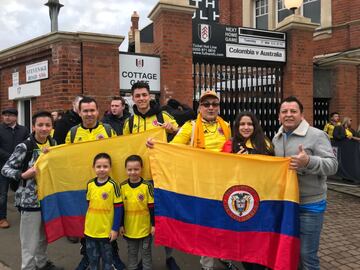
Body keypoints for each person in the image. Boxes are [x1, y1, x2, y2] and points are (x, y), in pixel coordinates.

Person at [167, 90, 234, 270]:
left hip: (224, 183)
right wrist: (156, 146)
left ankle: (225, 255)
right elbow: (173, 148)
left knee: (225, 221)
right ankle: (207, 264)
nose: (211, 107)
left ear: (219, 107)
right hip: (202, 185)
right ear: (199, 108)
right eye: (206, 104)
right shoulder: (190, 126)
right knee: (207, 225)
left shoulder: (226, 126)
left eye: (214, 104)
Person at [272, 96, 338, 270]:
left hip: (310, 205)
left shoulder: (317, 135)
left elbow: (333, 165)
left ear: (301, 114)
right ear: (279, 116)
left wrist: (308, 161)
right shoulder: (276, 138)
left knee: (307, 255)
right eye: (284, 111)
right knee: (291, 251)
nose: (288, 115)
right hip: (287, 205)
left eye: (293, 111)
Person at [122, 81, 179, 270]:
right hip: (139, 179)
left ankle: (169, 257)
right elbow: (125, 148)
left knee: (164, 218)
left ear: (150, 96)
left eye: (144, 95)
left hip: (160, 175)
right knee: (142, 220)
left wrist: (173, 129)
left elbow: (180, 133)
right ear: (132, 98)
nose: (141, 99)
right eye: (137, 96)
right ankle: (142, 259)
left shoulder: (163, 114)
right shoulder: (129, 122)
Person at [66, 96, 125, 270]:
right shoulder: (73, 133)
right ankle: (87, 257)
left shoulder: (108, 130)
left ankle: (113, 256)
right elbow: (64, 157)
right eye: (85, 110)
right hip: (82, 187)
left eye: (92, 110)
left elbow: (118, 153)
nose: (89, 114)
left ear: (98, 111)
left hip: (104, 185)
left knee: (107, 222)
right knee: (86, 222)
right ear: (79, 112)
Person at [1, 111, 62, 270]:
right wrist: (22, 174)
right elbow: (5, 169)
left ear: (52, 127)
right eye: (40, 125)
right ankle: (28, 267)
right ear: (33, 127)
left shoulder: (54, 143)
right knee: (29, 240)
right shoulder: (24, 146)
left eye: (47, 125)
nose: (44, 128)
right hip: (30, 201)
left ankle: (41, 263)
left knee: (44, 236)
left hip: (48, 198)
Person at [222, 111, 273, 270]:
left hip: (262, 201)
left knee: (260, 241)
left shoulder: (265, 144)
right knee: (244, 244)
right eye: (242, 124)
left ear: (255, 125)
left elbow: (273, 170)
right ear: (237, 127)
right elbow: (221, 173)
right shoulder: (229, 145)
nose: (246, 127)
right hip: (240, 203)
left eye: (249, 124)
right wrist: (235, 162)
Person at [85, 153, 122, 270]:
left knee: (107, 261)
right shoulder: (90, 184)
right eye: (98, 166)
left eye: (105, 166)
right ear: (93, 168)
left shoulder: (113, 185)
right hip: (90, 230)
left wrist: (115, 229)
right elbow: (89, 204)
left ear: (110, 168)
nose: (102, 169)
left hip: (106, 232)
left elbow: (119, 208)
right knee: (93, 260)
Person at [119, 155, 155, 270]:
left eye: (136, 169)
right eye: (130, 169)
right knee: (132, 254)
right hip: (130, 230)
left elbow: (152, 207)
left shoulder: (147, 186)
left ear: (141, 169)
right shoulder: (122, 187)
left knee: (146, 254)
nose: (133, 172)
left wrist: (154, 225)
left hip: (145, 229)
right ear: (125, 170)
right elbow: (120, 209)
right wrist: (120, 225)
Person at [0, 108, 29, 229]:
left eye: (10, 115)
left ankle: (23, 211)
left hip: (19, 167)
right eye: (5, 115)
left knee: (20, 191)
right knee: (3, 194)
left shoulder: (23, 130)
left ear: (16, 117)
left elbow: (28, 144)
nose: (7, 117)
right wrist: (12, 157)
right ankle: (2, 218)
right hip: (2, 167)